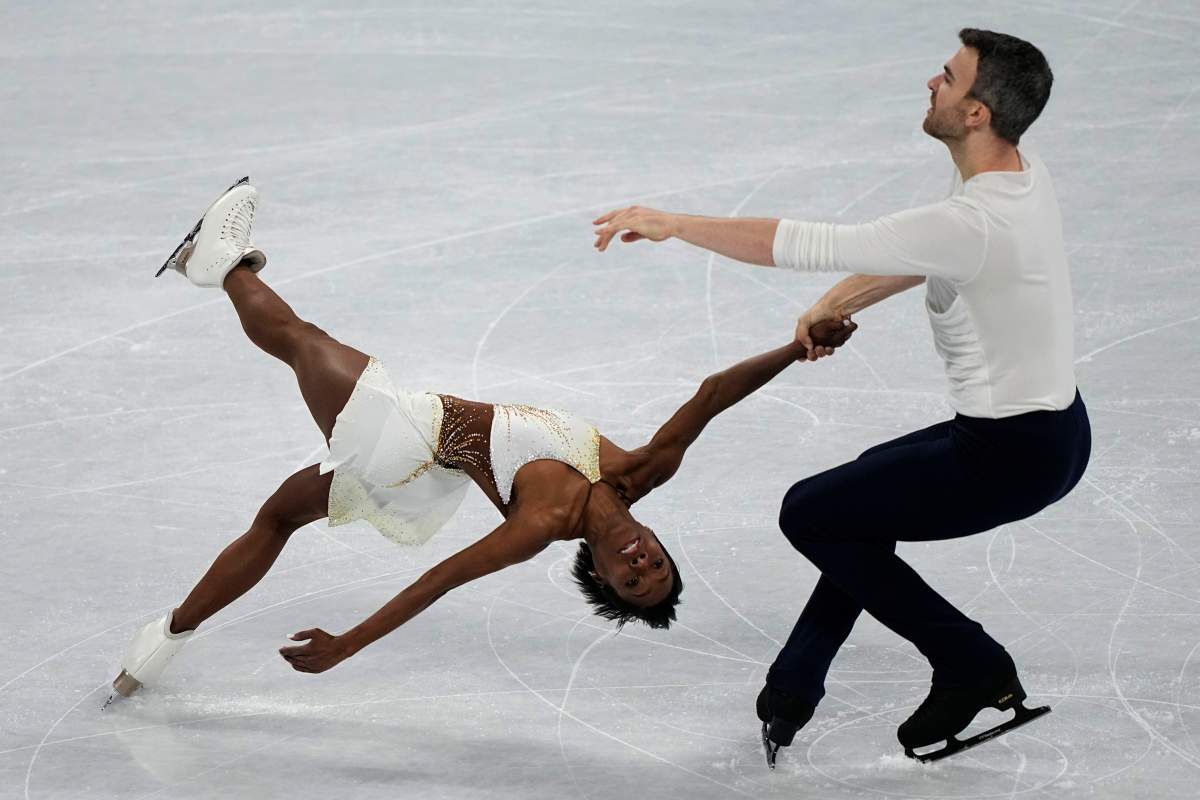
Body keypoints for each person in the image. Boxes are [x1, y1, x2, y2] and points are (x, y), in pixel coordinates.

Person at [107, 178, 856, 706]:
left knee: (305, 343)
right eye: (656, 565)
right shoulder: (640, 471)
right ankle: (158, 648)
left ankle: (218, 259)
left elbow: (442, 580)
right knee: (278, 517)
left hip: (405, 442)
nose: (641, 562)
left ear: (599, 575)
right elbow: (713, 395)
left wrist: (349, 645)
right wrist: (799, 348)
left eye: (632, 580)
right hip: (425, 466)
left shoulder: (541, 524)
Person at [591, 28, 1090, 764]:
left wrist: (675, 225)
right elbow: (932, 254)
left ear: (977, 112)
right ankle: (794, 685)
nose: (932, 82)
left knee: (811, 513)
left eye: (948, 77)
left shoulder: (973, 220)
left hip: (1009, 456)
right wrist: (842, 301)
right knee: (855, 503)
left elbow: (809, 243)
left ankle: (972, 664)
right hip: (1052, 432)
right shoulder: (1018, 178)